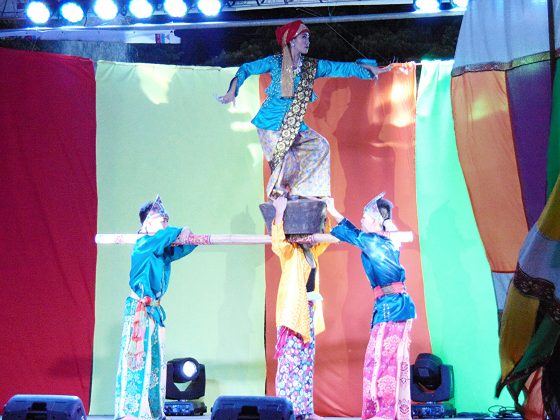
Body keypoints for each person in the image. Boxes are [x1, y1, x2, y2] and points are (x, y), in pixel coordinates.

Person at [218, 20, 391, 199]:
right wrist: (232, 91)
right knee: (285, 159)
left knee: (320, 146)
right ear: (292, 40)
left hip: (295, 124)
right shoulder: (275, 62)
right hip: (270, 123)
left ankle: (304, 192)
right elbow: (247, 68)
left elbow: (340, 68)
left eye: (308, 38)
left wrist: (368, 69)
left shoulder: (311, 67)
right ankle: (279, 193)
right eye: (304, 37)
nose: (308, 41)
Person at [325, 194, 416, 420]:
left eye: (365, 217)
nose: (362, 220)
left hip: (394, 308)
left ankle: (385, 413)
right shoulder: (381, 240)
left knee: (385, 364)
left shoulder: (375, 241)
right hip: (389, 307)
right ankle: (382, 413)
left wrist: (332, 211)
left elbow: (353, 234)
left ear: (375, 221)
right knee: (377, 362)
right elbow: (356, 233)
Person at [114, 195, 198, 420]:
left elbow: (182, 248)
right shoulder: (144, 244)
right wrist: (181, 230)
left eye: (167, 221)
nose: (166, 225)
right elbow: (166, 236)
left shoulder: (159, 251)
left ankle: (151, 412)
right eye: (162, 220)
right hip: (139, 310)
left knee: (155, 364)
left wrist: (191, 237)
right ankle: (130, 413)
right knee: (136, 360)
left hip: (154, 311)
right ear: (148, 223)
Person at [271, 196, 331, 420]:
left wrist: (326, 211)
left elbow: (326, 237)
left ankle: (306, 410)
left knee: (306, 362)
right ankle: (287, 410)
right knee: (290, 363)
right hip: (292, 313)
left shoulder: (312, 252)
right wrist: (279, 213)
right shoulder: (291, 251)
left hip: (308, 311)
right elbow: (278, 243)